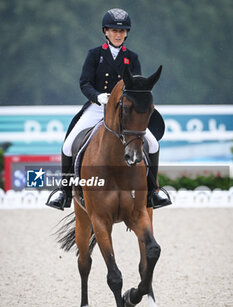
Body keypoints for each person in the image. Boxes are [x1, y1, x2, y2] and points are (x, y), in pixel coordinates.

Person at [46, 8, 171, 210]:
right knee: (68, 144)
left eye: (122, 31)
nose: (118, 35)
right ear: (106, 31)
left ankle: (153, 191)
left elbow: (137, 87)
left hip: (124, 111)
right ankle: (64, 192)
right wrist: (97, 97)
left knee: (153, 143)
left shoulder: (132, 57)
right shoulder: (95, 55)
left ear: (126, 33)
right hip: (98, 107)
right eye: (114, 31)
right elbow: (84, 82)